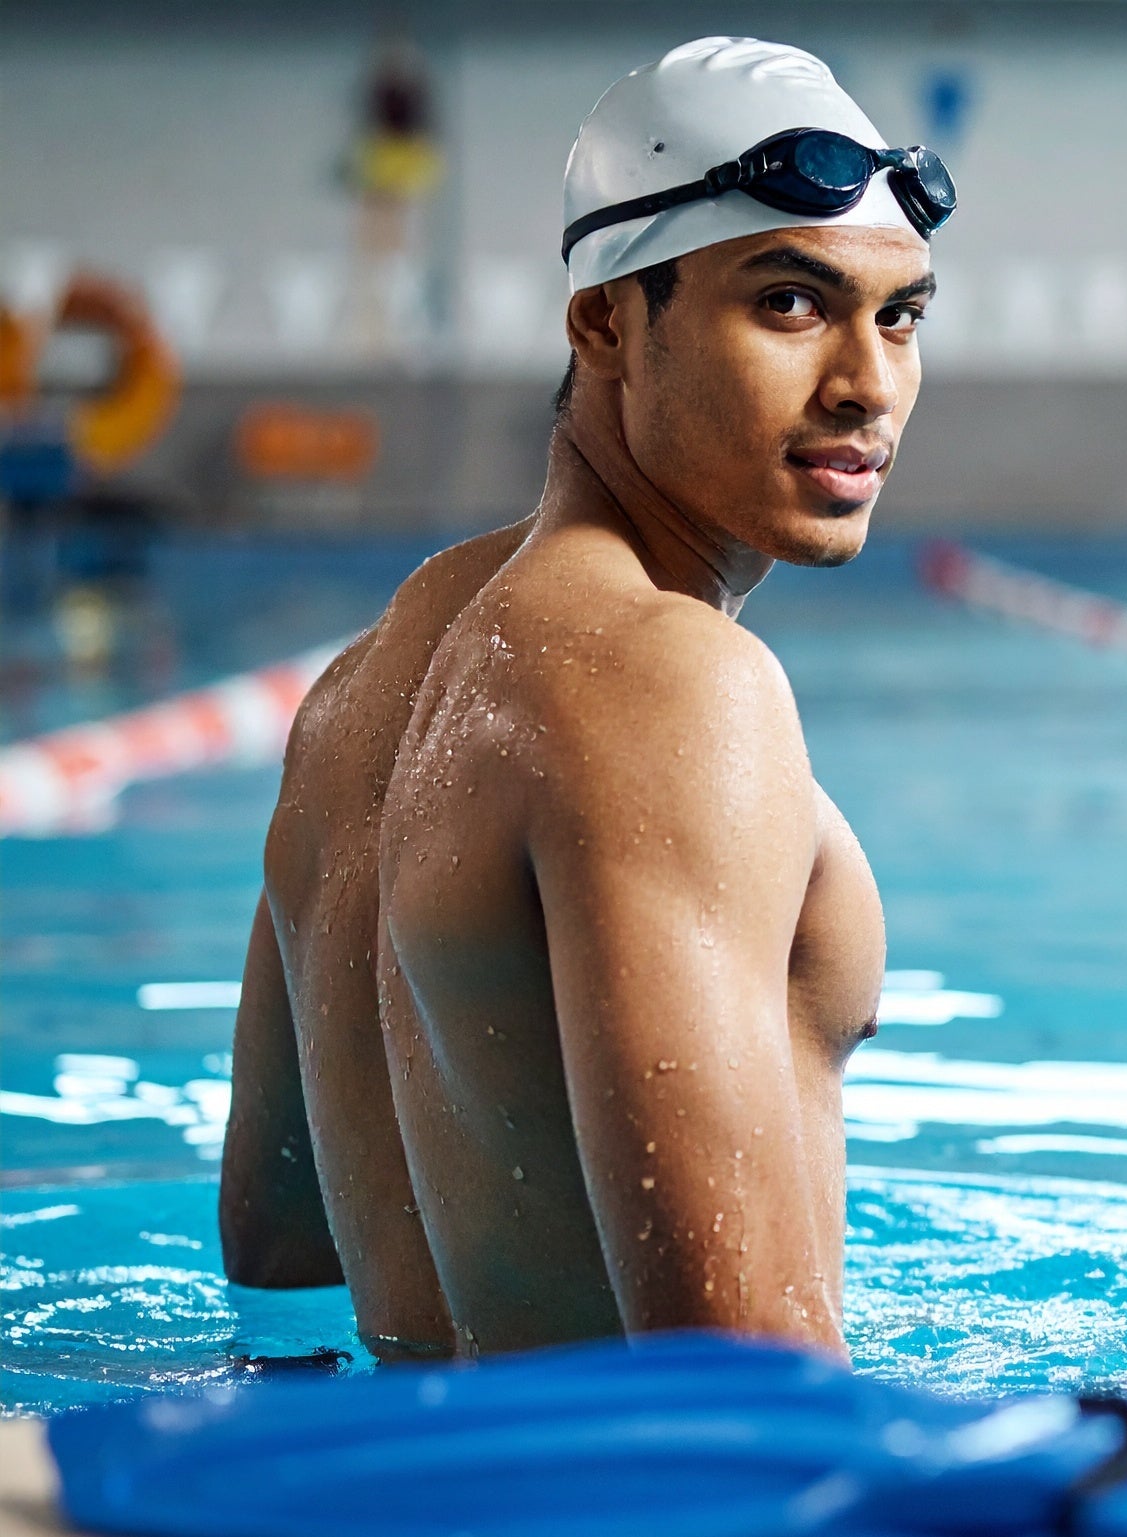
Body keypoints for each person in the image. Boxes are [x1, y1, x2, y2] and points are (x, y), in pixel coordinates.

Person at [219, 37, 952, 1361]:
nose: (867, 383)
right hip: (632, 1468)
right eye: (791, 303)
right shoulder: (672, 681)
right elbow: (735, 1379)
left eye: (899, 316)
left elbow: (279, 1249)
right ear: (604, 322)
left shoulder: (358, 693)